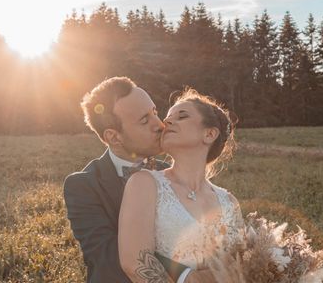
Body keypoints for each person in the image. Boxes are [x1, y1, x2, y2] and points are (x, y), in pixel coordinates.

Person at [63, 77, 217, 283]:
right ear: (114, 137)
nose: (160, 124)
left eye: (154, 112)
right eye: (145, 120)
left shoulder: (171, 172)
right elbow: (110, 261)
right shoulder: (84, 186)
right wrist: (187, 276)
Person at [118, 88, 243, 283]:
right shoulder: (145, 183)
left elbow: (241, 266)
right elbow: (135, 263)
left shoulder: (230, 202)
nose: (166, 122)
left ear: (209, 134)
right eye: (167, 117)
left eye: (181, 116)